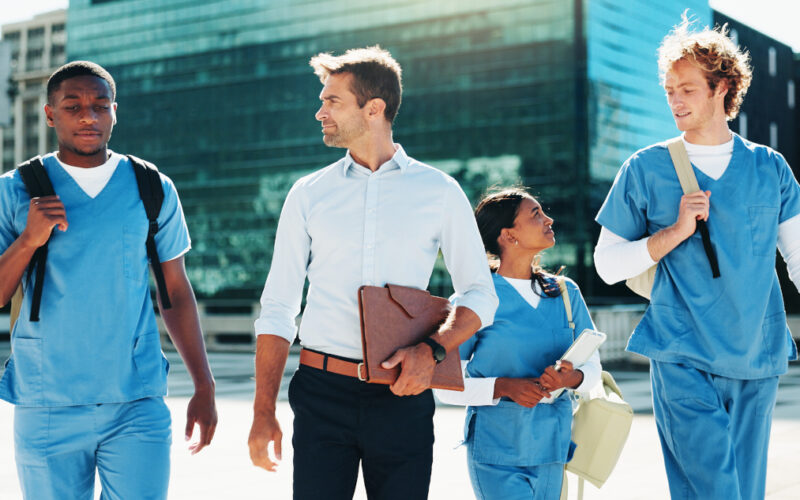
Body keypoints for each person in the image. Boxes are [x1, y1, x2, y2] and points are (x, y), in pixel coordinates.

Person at [247, 46, 498, 499]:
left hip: (403, 394)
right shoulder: (308, 194)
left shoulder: (439, 191)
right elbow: (279, 307)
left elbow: (480, 293)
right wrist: (263, 410)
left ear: (374, 108)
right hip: (320, 392)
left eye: (332, 101)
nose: (319, 111)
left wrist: (434, 351)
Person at [594, 16, 800, 500]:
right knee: (716, 489)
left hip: (757, 355)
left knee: (743, 491)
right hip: (682, 353)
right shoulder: (644, 168)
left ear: (721, 88)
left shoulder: (770, 168)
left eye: (687, 88)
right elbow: (607, 264)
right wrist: (674, 233)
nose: (676, 101)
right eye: (669, 90)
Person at [0, 61, 217, 500]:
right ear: (49, 114)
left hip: (135, 401)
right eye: (73, 105)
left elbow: (174, 293)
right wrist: (28, 240)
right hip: (47, 402)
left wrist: (204, 385)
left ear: (114, 112)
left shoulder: (151, 186)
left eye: (100, 106)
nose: (88, 116)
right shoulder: (15, 190)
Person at [435, 188, 601, 500]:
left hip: (552, 445)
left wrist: (571, 378)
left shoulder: (566, 294)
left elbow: (593, 367)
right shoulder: (476, 300)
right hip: (496, 448)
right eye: (535, 214)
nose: (548, 218)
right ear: (509, 236)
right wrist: (503, 387)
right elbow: (444, 388)